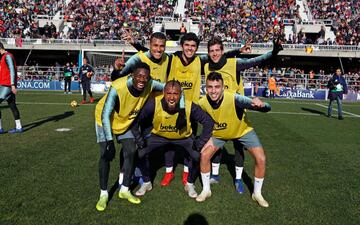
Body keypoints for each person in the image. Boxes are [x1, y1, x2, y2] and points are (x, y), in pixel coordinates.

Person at [94, 62, 184, 211]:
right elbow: (105, 114)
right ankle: (103, 194)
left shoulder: (150, 84)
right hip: (105, 121)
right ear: (132, 75)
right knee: (106, 155)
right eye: (139, 76)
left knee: (131, 151)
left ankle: (124, 190)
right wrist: (109, 140)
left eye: (146, 77)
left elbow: (176, 89)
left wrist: (181, 110)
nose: (142, 79)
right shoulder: (118, 87)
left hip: (125, 122)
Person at [204, 37, 282, 193]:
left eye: (217, 50)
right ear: (208, 52)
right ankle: (215, 175)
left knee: (238, 146)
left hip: (236, 111)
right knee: (217, 145)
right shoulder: (206, 66)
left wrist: (273, 53)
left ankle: (238, 179)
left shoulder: (234, 63)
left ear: (222, 51)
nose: (214, 54)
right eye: (211, 51)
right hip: (217, 111)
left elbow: (255, 60)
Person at [197, 72, 271, 208]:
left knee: (261, 159)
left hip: (242, 131)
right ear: (205, 88)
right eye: (210, 87)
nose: (213, 91)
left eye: (217, 87)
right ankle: (206, 190)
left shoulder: (234, 98)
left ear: (223, 87)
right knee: (204, 155)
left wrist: (262, 104)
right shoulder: (202, 102)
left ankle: (257, 193)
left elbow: (265, 108)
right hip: (219, 134)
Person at [131, 80, 214, 198]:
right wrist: (139, 139)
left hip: (183, 138)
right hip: (159, 136)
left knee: (197, 155)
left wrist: (200, 142)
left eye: (175, 94)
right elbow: (135, 120)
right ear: (163, 92)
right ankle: (146, 182)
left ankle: (190, 183)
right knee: (140, 153)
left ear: (180, 94)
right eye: (168, 93)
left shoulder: (189, 105)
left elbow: (208, 122)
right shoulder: (154, 103)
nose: (171, 97)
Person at [0, 42, 23, 134]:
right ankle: (19, 127)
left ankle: (0, 128)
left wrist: (13, 84)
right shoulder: (3, 57)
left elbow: (12, 70)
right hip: (5, 85)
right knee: (12, 105)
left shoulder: (8, 56)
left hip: (7, 85)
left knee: (12, 105)